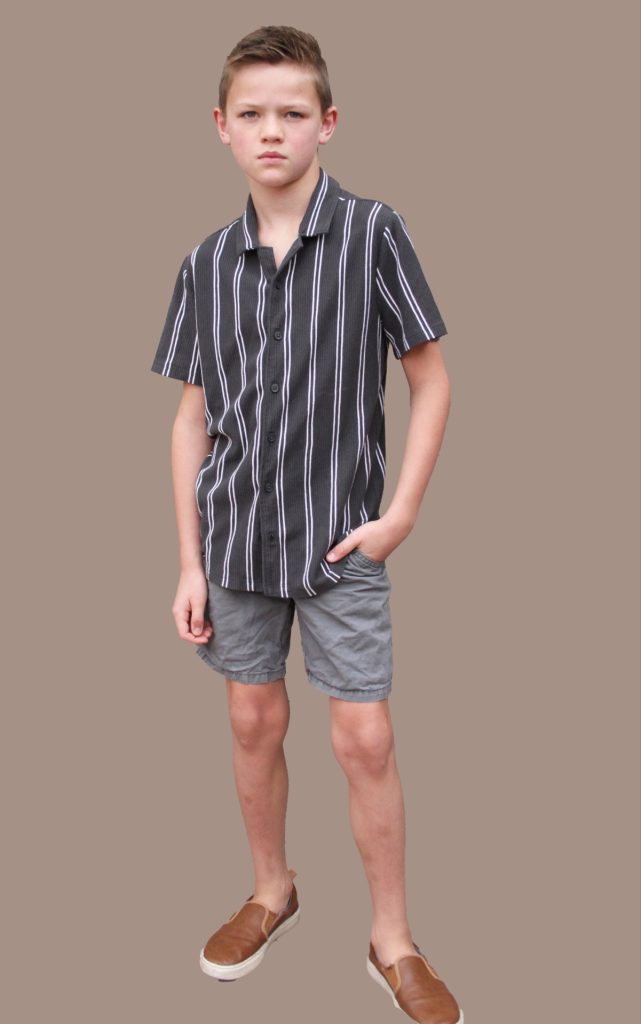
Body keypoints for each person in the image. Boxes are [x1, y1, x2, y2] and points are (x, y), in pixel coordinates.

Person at [150, 24, 464, 1024]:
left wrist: (399, 514)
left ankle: (392, 940)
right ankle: (270, 891)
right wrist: (188, 562)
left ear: (327, 123)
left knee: (364, 738)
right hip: (236, 543)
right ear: (221, 126)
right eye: (251, 113)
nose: (271, 130)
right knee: (251, 721)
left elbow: (429, 379)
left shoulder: (374, 233)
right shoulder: (204, 264)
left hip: (339, 543)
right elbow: (191, 419)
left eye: (292, 112)